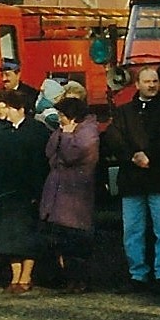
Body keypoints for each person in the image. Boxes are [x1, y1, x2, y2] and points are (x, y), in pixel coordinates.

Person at [104, 65, 160, 291]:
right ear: (137, 84)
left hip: (159, 177)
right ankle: (137, 274)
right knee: (132, 230)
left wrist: (149, 156)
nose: (152, 85)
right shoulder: (123, 111)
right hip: (132, 178)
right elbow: (114, 138)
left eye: (155, 81)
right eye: (147, 81)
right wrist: (132, 157)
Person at [0, 89, 50, 294]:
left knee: (28, 237)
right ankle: (14, 277)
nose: (5, 112)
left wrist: (38, 192)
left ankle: (26, 277)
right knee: (8, 238)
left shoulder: (37, 130)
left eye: (9, 108)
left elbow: (42, 164)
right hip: (5, 193)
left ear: (20, 109)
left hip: (28, 193)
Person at [39, 96, 100, 293]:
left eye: (62, 115)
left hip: (75, 194)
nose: (59, 119)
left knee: (76, 241)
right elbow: (50, 154)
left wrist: (65, 136)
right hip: (60, 191)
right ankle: (69, 279)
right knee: (63, 240)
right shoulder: (64, 130)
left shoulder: (88, 133)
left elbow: (72, 155)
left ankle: (80, 280)